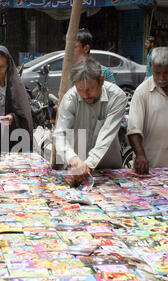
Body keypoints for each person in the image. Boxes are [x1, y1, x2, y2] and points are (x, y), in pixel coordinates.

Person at [53, 57, 127, 187]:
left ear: (101, 80)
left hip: (107, 166)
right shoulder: (71, 98)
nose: (85, 95)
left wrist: (88, 165)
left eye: (90, 89)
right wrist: (73, 159)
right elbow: (60, 134)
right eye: (80, 90)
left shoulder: (117, 97)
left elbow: (106, 134)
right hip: (76, 166)